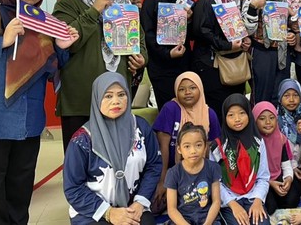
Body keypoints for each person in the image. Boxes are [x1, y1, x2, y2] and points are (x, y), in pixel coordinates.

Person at [0, 0, 78, 225]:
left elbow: (49, 66)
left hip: (28, 122)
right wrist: (1, 41)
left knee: (20, 191)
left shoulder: (40, 20)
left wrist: (62, 47)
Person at [53, 0, 148, 150]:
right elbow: (67, 44)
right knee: (80, 155)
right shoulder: (67, 3)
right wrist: (93, 11)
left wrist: (141, 58)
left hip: (117, 93)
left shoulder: (122, 3)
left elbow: (139, 40)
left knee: (116, 153)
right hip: (81, 96)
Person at [63, 72, 162, 225]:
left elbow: (154, 165)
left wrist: (140, 202)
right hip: (93, 212)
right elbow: (73, 188)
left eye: (121, 94)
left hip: (133, 206)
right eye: (108, 96)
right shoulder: (82, 140)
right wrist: (109, 213)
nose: (116, 101)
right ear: (97, 98)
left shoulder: (141, 128)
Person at [152, 71, 221, 212]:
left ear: (200, 89)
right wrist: (163, 181)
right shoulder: (170, 109)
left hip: (200, 172)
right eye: (182, 89)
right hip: (171, 171)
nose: (187, 92)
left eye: (192, 88)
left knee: (199, 207)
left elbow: (212, 150)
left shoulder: (209, 114)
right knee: (156, 206)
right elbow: (163, 147)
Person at [192, 0, 250, 120]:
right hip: (211, 66)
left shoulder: (238, 2)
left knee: (234, 107)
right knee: (217, 109)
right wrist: (227, 45)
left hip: (234, 66)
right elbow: (201, 31)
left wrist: (245, 40)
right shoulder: (208, 0)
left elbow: (241, 29)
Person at [209, 94, 271, 225]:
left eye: (242, 113)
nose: (237, 119)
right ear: (224, 117)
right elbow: (216, 182)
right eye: (231, 115)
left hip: (253, 196)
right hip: (229, 199)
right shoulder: (217, 146)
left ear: (249, 114)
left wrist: (258, 201)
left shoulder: (257, 142)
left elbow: (263, 177)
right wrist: (232, 204)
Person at [140, 0, 194, 108]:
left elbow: (193, 36)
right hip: (161, 66)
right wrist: (167, 53)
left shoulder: (188, 2)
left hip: (183, 64)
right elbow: (147, 33)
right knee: (169, 108)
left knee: (186, 109)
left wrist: (189, 20)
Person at [242, 0, 294, 104]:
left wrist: (291, 33)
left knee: (280, 96)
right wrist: (254, 7)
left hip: (282, 53)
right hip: (261, 54)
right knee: (262, 97)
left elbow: (285, 24)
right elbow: (247, 29)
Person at [165, 123, 222, 225]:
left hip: (207, 218)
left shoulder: (213, 168)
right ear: (179, 149)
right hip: (183, 219)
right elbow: (172, 209)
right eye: (187, 146)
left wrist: (207, 223)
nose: (193, 151)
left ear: (205, 147)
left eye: (198, 145)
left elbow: (216, 202)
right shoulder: (173, 173)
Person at [252, 101, 300, 214]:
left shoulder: (280, 138)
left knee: (292, 200)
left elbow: (286, 164)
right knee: (270, 208)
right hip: (259, 181)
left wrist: (288, 179)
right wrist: (270, 183)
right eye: (262, 118)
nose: (268, 122)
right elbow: (251, 173)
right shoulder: (252, 142)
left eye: (272, 118)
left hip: (277, 175)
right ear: (254, 121)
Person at [275, 79, 301, 193]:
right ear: (280, 98)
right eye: (286, 95)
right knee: (292, 195)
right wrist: (294, 168)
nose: (291, 100)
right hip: (287, 166)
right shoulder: (276, 120)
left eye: (295, 95)